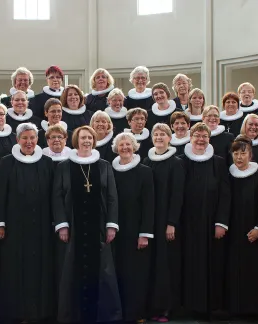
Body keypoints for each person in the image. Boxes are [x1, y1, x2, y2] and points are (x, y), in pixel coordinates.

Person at [54, 126, 122, 324]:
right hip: (73, 228)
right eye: (83, 138)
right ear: (76, 140)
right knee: (71, 270)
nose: (86, 141)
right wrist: (62, 225)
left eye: (89, 138)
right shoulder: (64, 166)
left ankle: (104, 315)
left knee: (103, 272)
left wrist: (111, 225)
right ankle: (72, 315)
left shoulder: (104, 166)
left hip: (99, 227)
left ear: (94, 140)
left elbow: (112, 197)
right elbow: (57, 197)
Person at [0, 123, 55, 323]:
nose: (29, 142)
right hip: (15, 226)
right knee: (15, 268)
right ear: (17, 140)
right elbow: (0, 194)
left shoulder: (47, 162)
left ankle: (40, 311)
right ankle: (18, 312)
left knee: (40, 268)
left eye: (32, 138)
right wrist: (0, 223)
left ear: (38, 140)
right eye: (25, 138)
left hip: (42, 226)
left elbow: (54, 195)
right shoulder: (7, 162)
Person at [179, 122, 231, 317]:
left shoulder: (218, 162)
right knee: (190, 263)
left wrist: (221, 222)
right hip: (188, 223)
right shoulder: (181, 160)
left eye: (204, 136)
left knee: (212, 264)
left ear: (209, 139)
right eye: (197, 136)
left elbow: (225, 194)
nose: (201, 140)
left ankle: (210, 306)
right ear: (190, 138)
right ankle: (190, 306)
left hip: (211, 222)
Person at [142, 123, 184, 323]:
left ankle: (166, 307)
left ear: (170, 138)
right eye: (156, 134)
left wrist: (171, 222)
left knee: (165, 265)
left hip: (166, 222)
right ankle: (151, 305)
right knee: (150, 264)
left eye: (163, 134)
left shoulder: (176, 163)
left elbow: (178, 195)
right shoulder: (146, 161)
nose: (159, 137)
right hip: (149, 221)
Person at [111, 132, 154, 323]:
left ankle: (136, 313)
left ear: (135, 147)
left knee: (135, 274)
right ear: (116, 148)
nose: (125, 148)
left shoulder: (144, 171)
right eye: (121, 145)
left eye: (128, 144)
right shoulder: (109, 170)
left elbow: (149, 204)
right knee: (116, 271)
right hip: (116, 230)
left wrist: (144, 233)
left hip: (136, 230)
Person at [226, 136, 258, 316]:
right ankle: (237, 309)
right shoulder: (229, 177)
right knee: (235, 271)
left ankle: (256, 311)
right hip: (234, 231)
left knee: (255, 272)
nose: (239, 157)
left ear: (250, 155)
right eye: (235, 153)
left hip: (254, 232)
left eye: (243, 153)